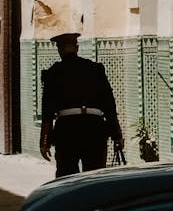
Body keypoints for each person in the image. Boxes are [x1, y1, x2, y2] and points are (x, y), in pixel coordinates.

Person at [39, 31, 124, 177]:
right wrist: (117, 135)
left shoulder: (54, 73)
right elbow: (109, 105)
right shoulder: (96, 69)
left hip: (67, 129)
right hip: (94, 127)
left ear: (59, 50)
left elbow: (47, 111)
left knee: (67, 176)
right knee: (94, 176)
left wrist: (45, 141)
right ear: (77, 48)